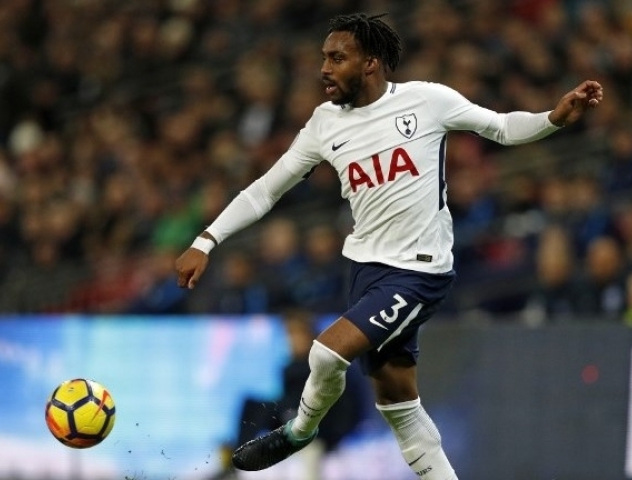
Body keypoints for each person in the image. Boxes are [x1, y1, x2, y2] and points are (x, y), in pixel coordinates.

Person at [175, 12, 603, 479]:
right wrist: (206, 239)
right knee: (399, 405)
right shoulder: (324, 124)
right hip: (365, 270)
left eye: (337, 58)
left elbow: (500, 127)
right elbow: (265, 190)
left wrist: (554, 118)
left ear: (371, 64)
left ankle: (298, 432)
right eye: (323, 58)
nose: (324, 68)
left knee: (325, 351)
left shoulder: (427, 101)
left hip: (420, 271)